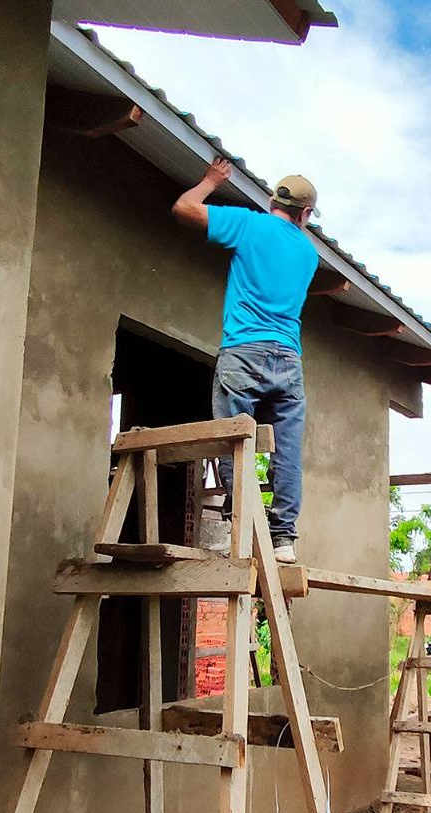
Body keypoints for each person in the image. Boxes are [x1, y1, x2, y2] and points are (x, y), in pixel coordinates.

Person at [172, 157, 319, 563]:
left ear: (273, 200)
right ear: (305, 214)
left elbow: (184, 209)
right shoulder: (308, 255)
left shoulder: (251, 225)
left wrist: (210, 181)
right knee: (286, 450)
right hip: (288, 358)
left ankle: (243, 524)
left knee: (235, 440)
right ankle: (283, 538)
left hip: (244, 351)